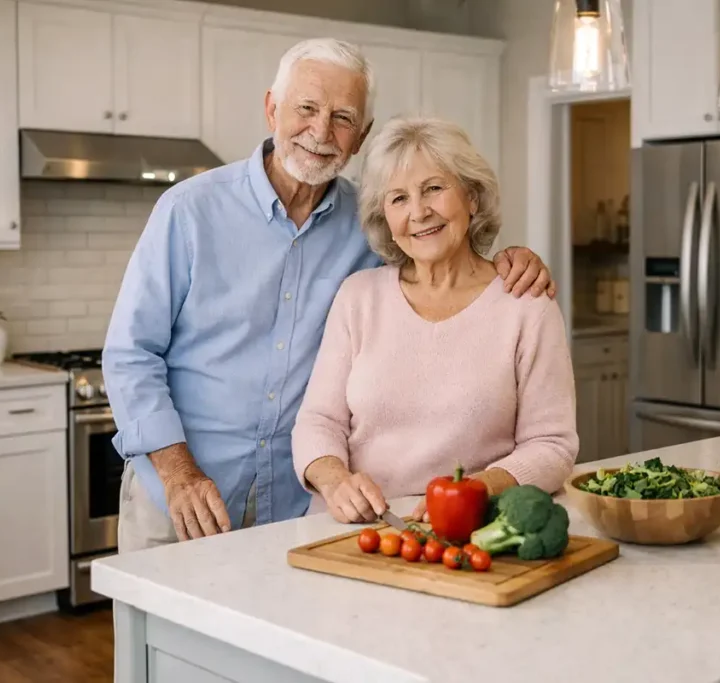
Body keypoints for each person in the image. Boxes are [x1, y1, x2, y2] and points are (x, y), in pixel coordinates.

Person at [103, 37, 556, 553]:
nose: (321, 132)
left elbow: (439, 251)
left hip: (292, 507)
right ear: (272, 108)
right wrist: (179, 473)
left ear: (360, 137)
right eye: (307, 109)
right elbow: (129, 354)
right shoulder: (188, 211)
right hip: (183, 498)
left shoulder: (370, 225)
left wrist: (512, 257)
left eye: (343, 117)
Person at [291, 116, 578, 524]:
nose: (419, 212)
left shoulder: (525, 303)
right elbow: (318, 420)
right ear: (385, 219)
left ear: (472, 198)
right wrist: (335, 480)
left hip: (466, 529)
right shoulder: (359, 295)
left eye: (434, 189)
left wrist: (475, 490)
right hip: (354, 529)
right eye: (398, 199)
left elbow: (552, 445)